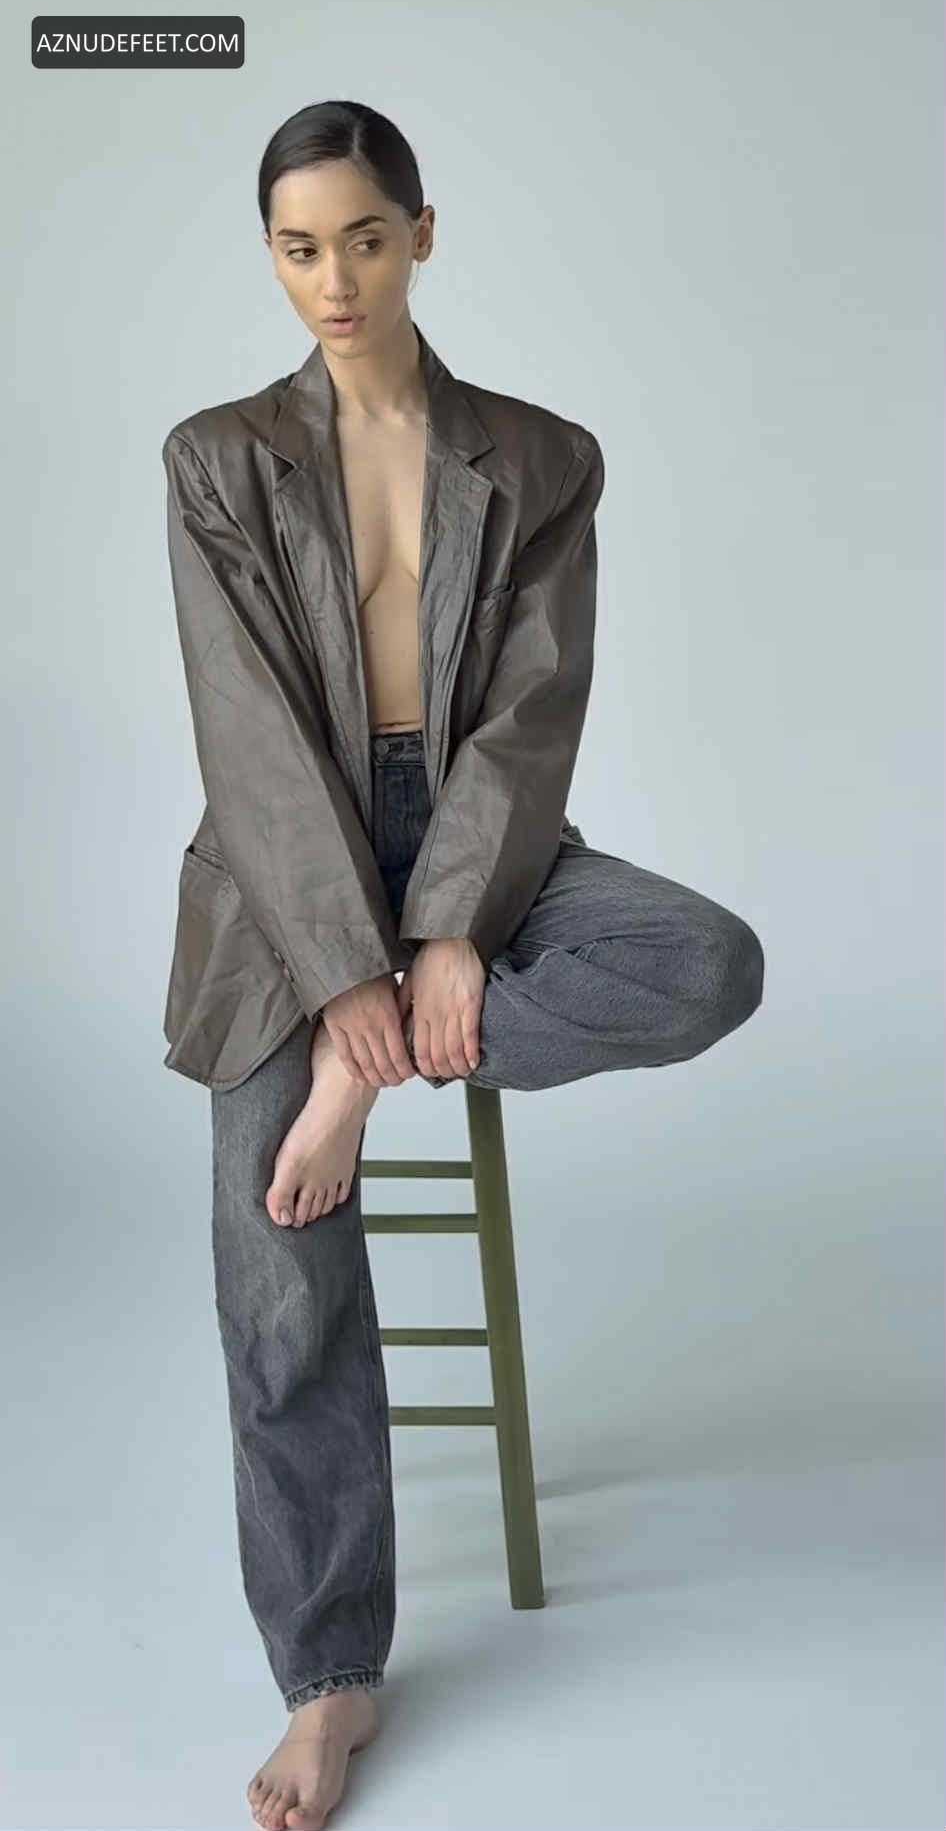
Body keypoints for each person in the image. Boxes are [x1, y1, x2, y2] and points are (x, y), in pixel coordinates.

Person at [161, 99, 765, 1831]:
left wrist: (440, 943)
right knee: (279, 1279)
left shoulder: (542, 455)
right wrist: (346, 970)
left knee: (703, 962)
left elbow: (528, 713)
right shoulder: (217, 457)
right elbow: (247, 734)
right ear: (270, 256)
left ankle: (366, 1073)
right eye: (298, 248)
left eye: (363, 238)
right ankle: (329, 1679)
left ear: (421, 234)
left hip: (478, 840)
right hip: (281, 870)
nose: (333, 279)